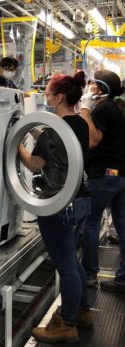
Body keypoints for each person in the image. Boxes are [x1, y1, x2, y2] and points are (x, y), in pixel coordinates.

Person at [18, 71, 92, 343]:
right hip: (82, 200)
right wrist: (38, 132)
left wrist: (14, 144)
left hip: (59, 204)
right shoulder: (81, 123)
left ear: (59, 97)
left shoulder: (51, 132)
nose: (46, 97)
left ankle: (68, 323)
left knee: (66, 266)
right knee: (73, 260)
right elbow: (61, 148)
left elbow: (34, 164)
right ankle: (83, 311)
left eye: (48, 94)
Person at [80, 69, 125, 292]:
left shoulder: (104, 108)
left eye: (94, 84)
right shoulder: (117, 107)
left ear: (102, 88)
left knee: (91, 222)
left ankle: (89, 274)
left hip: (105, 175)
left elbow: (94, 140)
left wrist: (86, 110)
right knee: (123, 227)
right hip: (120, 175)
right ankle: (123, 280)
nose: (90, 87)